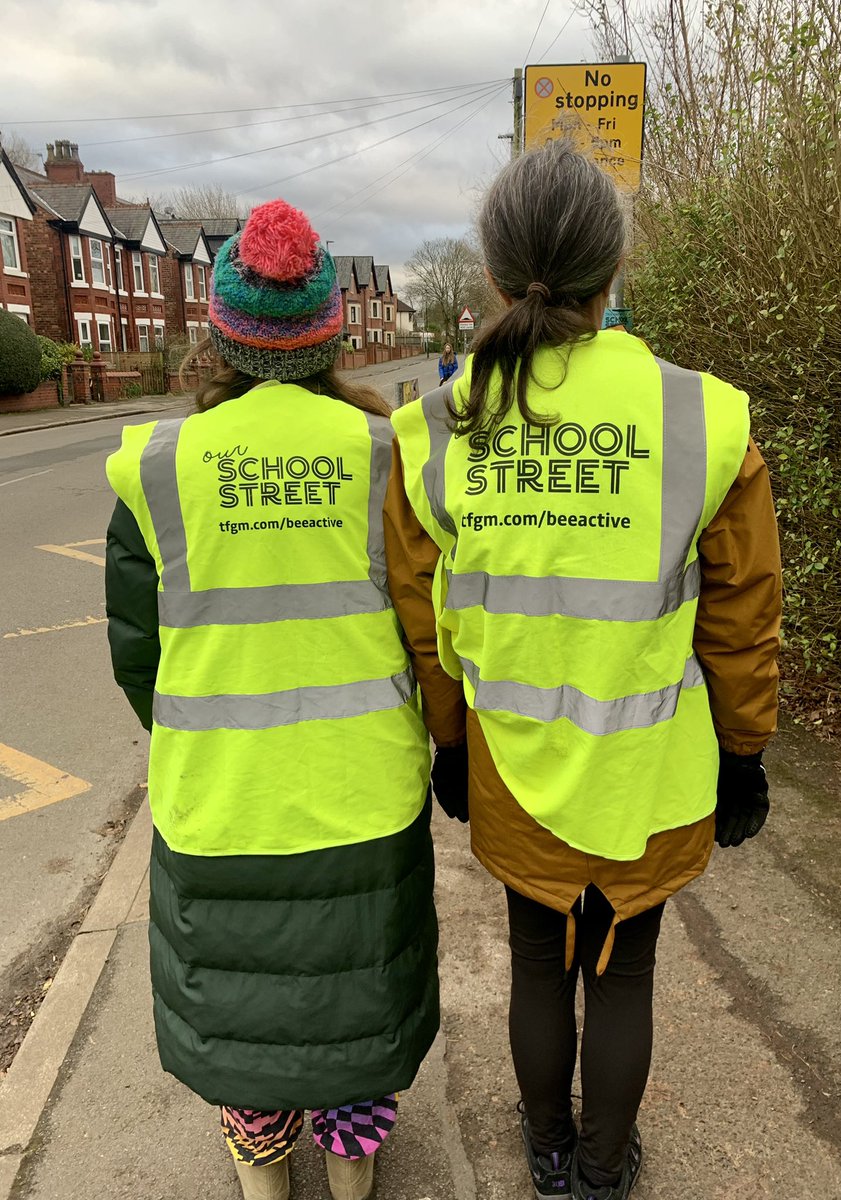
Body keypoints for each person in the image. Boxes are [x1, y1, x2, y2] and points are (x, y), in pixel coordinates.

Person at [386, 142, 781, 1200]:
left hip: (515, 770)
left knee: (532, 961)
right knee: (627, 972)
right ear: (615, 267)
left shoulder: (433, 430)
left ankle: (547, 1155)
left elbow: (429, 624)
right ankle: (605, 1172)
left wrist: (452, 744)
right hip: (649, 775)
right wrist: (743, 751)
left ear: (493, 271)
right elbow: (744, 615)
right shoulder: (702, 416)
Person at [104, 200, 438, 1200]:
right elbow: (430, 630)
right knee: (357, 990)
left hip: (223, 798)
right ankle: (352, 1157)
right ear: (331, 330)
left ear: (221, 334)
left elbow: (139, 656)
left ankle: (263, 1165)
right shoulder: (388, 454)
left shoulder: (159, 469)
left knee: (247, 1004)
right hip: (362, 789)